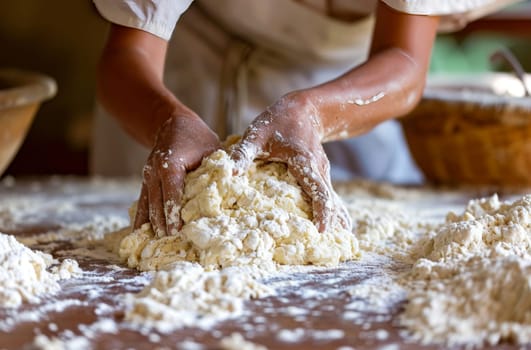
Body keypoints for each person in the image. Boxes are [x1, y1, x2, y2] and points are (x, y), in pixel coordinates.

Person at [91, 0, 521, 237]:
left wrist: (314, 112)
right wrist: (166, 121)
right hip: (188, 62)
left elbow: (406, 61)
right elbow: (127, 56)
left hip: (349, 76)